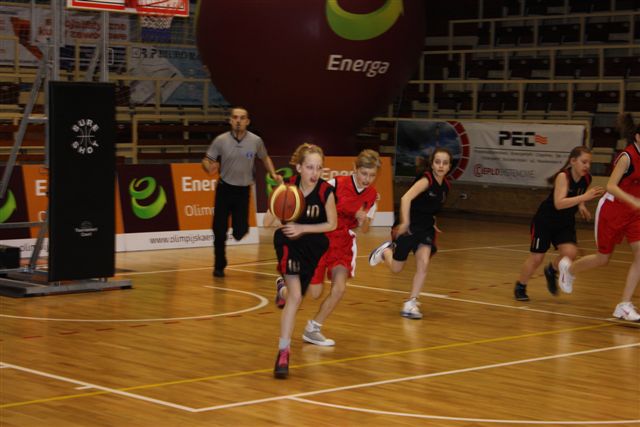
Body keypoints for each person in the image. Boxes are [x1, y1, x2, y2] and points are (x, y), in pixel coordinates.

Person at [274, 149, 381, 347]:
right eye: (364, 173)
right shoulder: (335, 184)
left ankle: (313, 328)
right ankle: (283, 289)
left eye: (372, 175)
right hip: (321, 239)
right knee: (313, 293)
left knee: (339, 289)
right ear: (355, 169)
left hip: (343, 243)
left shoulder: (373, 195)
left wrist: (363, 220)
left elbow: (365, 229)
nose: (367, 179)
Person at [558, 114, 640, 321]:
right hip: (613, 210)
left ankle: (624, 305)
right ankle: (569, 270)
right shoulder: (627, 157)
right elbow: (610, 186)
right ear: (638, 137)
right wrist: (632, 199)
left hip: (634, 214)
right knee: (603, 258)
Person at [270, 143, 337, 379]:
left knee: (295, 295)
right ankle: (283, 352)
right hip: (289, 243)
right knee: (297, 297)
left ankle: (281, 288)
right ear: (299, 167)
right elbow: (268, 221)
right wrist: (277, 211)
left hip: (313, 247)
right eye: (310, 167)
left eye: (319, 168)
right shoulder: (288, 189)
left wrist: (303, 228)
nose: (314, 172)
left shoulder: (326, 191)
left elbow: (332, 224)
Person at [368, 147, 452, 320]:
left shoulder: (446, 186)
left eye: (445, 163)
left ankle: (411, 302)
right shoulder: (426, 180)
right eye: (437, 162)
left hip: (425, 229)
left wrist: (434, 222)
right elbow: (405, 198)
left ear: (449, 166)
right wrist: (405, 222)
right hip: (409, 226)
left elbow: (431, 207)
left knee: (424, 263)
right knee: (396, 268)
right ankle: (384, 252)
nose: (441, 166)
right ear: (432, 164)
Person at [513, 146, 604, 301]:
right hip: (545, 221)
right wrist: (584, 198)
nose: (587, 166)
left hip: (565, 221)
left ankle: (552, 270)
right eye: (584, 162)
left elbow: (579, 193)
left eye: (589, 163)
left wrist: (581, 205)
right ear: (573, 161)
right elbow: (559, 203)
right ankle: (521, 286)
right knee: (537, 258)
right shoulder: (563, 176)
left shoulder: (586, 178)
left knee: (571, 252)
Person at [202, 107, 282, 277]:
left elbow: (265, 157)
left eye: (242, 118)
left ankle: (239, 231)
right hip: (224, 189)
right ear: (230, 120)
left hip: (243, 191)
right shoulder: (220, 140)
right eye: (235, 117)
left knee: (240, 231)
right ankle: (219, 265)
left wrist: (273, 173)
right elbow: (207, 160)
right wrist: (208, 167)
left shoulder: (256, 141)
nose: (238, 120)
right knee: (219, 229)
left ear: (247, 121)